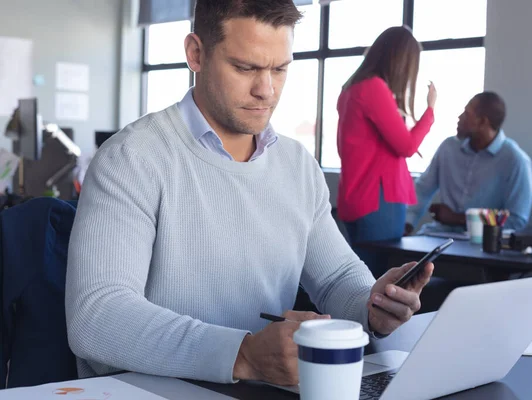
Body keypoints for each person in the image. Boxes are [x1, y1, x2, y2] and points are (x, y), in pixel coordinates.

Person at [65, 0, 434, 387]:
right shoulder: (132, 157)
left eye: (280, 68)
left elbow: (337, 276)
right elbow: (97, 315)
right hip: (146, 391)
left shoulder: (296, 164)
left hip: (262, 388)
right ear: (196, 54)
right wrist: (242, 354)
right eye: (245, 68)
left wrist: (373, 305)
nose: (266, 90)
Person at [336, 26, 437, 277]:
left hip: (356, 195)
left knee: (361, 274)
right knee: (379, 278)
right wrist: (430, 111)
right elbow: (406, 146)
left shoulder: (351, 88)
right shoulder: (373, 88)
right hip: (378, 198)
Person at [405, 92, 532, 235]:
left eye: (466, 114)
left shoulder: (516, 161)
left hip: (481, 246)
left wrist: (458, 219)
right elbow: (422, 190)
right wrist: (406, 225)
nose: (459, 118)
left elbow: (517, 221)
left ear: (482, 122)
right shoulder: (448, 148)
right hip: (437, 235)